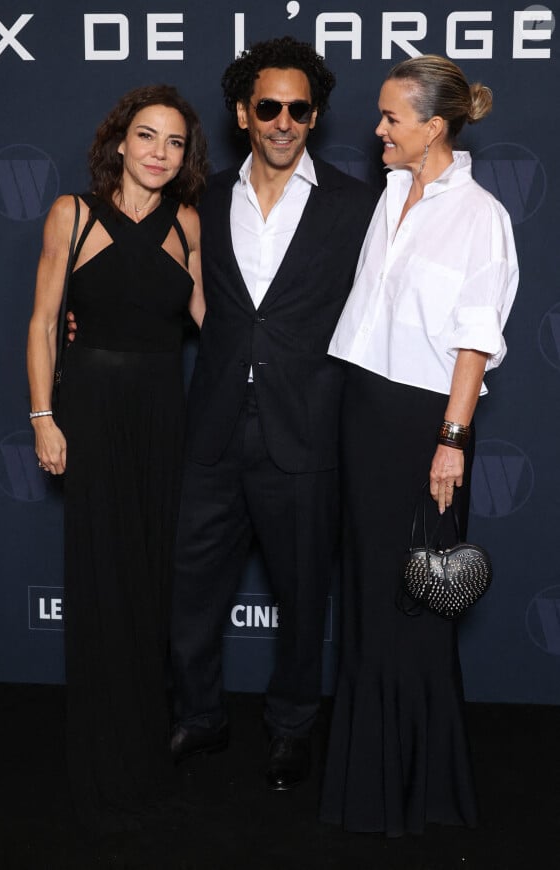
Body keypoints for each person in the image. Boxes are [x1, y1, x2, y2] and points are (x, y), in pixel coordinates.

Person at [169, 36, 378, 791]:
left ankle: (292, 727)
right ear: (242, 113)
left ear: (314, 116)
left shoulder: (360, 206)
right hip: (215, 427)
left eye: (297, 108)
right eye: (268, 107)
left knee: (301, 595)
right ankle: (200, 715)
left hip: (307, 430)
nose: (283, 121)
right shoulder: (203, 199)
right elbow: (173, 293)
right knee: (192, 587)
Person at [319, 56, 518, 836]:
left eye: (391, 119)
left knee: (415, 599)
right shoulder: (392, 195)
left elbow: (473, 344)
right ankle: (364, 785)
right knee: (370, 598)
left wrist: (451, 443)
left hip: (423, 425)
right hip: (360, 410)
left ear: (434, 127)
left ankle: (420, 791)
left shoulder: (483, 218)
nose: (377, 131)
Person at [26, 84, 207, 833]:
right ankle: (98, 759)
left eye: (173, 142)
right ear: (120, 142)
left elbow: (215, 321)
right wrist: (44, 417)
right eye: (146, 136)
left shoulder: (190, 222)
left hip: (164, 416)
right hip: (92, 416)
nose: (158, 153)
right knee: (100, 574)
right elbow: (41, 324)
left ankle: (143, 749)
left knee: (149, 577)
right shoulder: (71, 215)